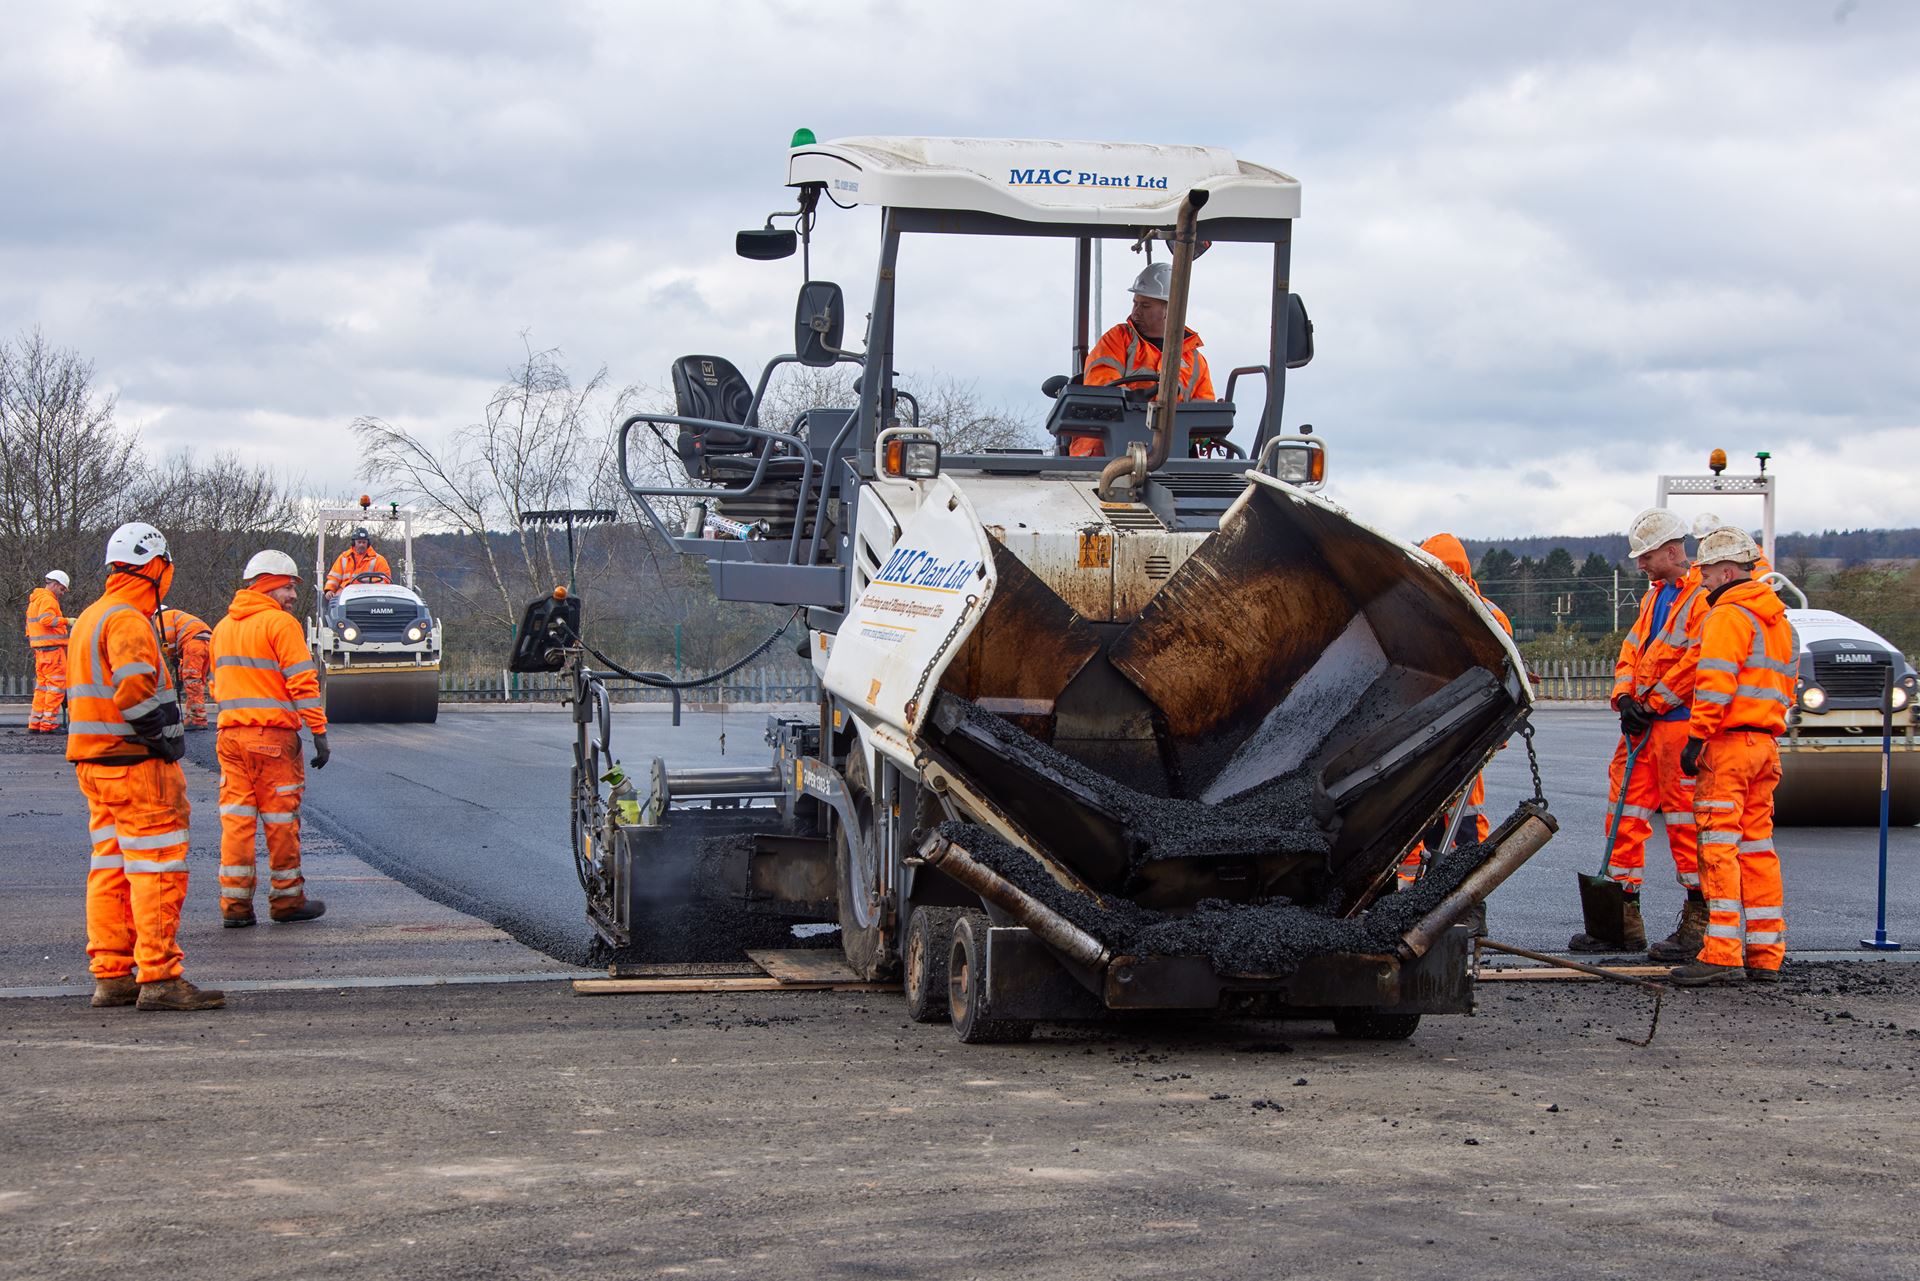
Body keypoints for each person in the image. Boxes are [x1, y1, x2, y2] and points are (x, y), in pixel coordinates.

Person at [66, 523, 223, 1011]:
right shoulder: (128, 619)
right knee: (158, 865)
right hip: (136, 765)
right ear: (155, 566)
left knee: (111, 867)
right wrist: (163, 740)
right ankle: (159, 977)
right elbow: (134, 692)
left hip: (96, 762)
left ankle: (113, 974)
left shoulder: (90, 617)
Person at [1570, 507, 1709, 955]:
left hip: (1677, 728)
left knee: (1685, 823)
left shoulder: (1702, 598)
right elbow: (1632, 651)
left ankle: (1700, 921)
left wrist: (1651, 704)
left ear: (1671, 550)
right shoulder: (1654, 598)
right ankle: (1621, 921)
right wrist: (1625, 698)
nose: (1641, 565)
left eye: (1646, 556)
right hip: (1644, 730)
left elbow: (1696, 662)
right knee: (1623, 818)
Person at [1670, 526, 1795, 987]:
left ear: (1726, 571)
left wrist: (1696, 737)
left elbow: (1715, 683)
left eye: (1706, 572)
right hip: (1765, 745)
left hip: (1728, 747)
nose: (1701, 580)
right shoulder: (1778, 621)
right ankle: (1765, 954)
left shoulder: (1727, 616)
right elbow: (1786, 686)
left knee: (1717, 847)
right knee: (1758, 848)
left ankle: (1721, 952)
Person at [212, 551, 330, 927]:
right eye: (288, 587)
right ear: (268, 585)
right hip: (272, 739)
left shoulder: (222, 628)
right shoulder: (280, 624)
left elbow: (218, 685)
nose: (293, 596)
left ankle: (235, 906)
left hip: (230, 738)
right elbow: (302, 682)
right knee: (280, 821)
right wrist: (318, 730)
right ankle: (287, 900)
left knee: (237, 822)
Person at [1399, 534, 1512, 884]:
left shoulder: (1486, 617)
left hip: (1467, 734)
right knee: (1429, 817)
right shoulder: (1426, 614)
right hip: (1436, 732)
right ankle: (1430, 894)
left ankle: (1466, 897)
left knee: (1463, 818)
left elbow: (1504, 679)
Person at [1073, 263, 1214, 457]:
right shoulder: (1117, 339)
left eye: (1145, 306)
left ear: (1171, 309)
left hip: (1171, 459)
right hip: (1105, 455)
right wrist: (1137, 400)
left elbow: (1205, 414)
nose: (1136, 312)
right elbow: (1102, 387)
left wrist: (1199, 432)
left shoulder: (1196, 361)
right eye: (1135, 303)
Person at [25, 569, 73, 733]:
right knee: (56, 687)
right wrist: (67, 621)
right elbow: (46, 620)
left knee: (42, 688)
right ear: (55, 584)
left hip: (41, 651)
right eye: (62, 589)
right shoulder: (48, 599)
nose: (62, 593)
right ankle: (48, 724)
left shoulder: (36, 600)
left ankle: (35, 723)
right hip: (52, 651)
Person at [158, 607, 215, 730]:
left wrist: (171, 656)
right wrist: (179, 674)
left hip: (194, 644)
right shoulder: (178, 617)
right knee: (197, 681)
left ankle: (197, 719)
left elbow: (167, 639)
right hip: (208, 643)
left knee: (191, 681)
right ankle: (192, 716)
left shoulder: (162, 618)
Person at [323, 526, 391, 597]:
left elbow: (386, 580)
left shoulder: (379, 560)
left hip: (369, 595)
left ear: (368, 543)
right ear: (353, 543)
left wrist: (368, 582)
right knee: (334, 601)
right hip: (345, 593)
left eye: (364, 542)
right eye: (359, 542)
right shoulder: (344, 557)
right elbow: (334, 578)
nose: (361, 545)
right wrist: (329, 590)